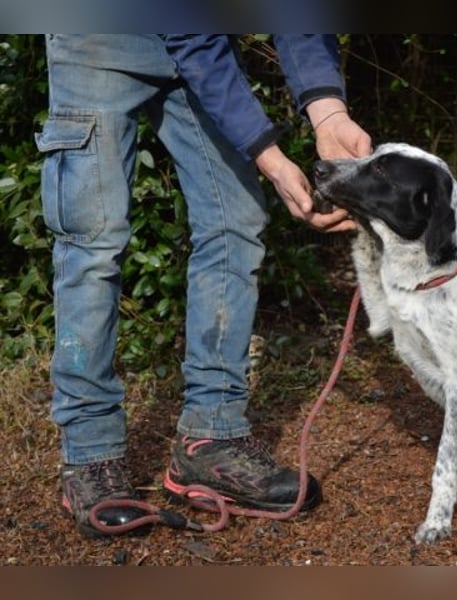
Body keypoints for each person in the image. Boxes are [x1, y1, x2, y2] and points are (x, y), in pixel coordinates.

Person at [35, 34, 372, 538]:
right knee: (94, 241)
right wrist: (272, 158)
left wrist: (328, 113)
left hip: (192, 39)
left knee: (235, 217)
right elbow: (191, 33)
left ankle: (209, 438)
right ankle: (90, 454)